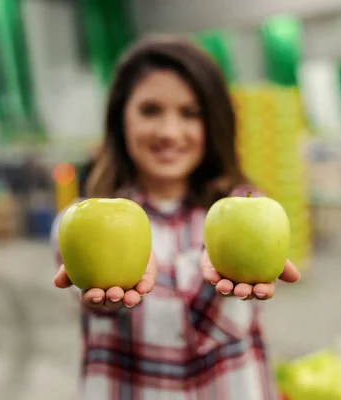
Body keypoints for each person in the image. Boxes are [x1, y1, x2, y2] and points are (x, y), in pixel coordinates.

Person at [51, 36, 301, 399]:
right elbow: (90, 296)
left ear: (213, 122)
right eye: (150, 110)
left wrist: (229, 268)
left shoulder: (246, 205)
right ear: (122, 118)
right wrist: (110, 294)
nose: (169, 132)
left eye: (190, 113)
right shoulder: (76, 222)